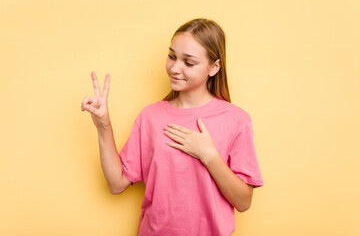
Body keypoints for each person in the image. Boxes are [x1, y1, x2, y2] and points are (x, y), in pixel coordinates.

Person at [81, 18, 263, 236]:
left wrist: (209, 155)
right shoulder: (150, 116)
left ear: (214, 67)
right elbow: (116, 184)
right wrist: (103, 125)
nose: (175, 68)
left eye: (188, 62)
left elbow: (244, 202)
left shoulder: (236, 120)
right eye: (171, 56)